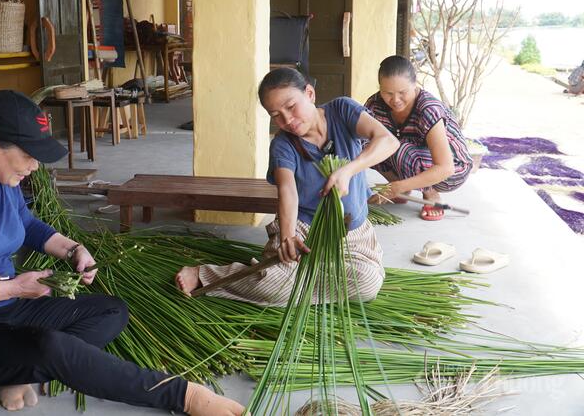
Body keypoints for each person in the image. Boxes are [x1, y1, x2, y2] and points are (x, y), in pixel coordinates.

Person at [0, 90, 243, 415]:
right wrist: (15, 288)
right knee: (51, 347)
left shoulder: (4, 181)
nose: (35, 167)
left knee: (111, 310)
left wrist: (73, 249)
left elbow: (25, 223)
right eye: (28, 155)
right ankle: (182, 395)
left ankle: (18, 369)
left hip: (5, 310)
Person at [176, 68, 399, 306]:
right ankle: (206, 275)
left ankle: (301, 275)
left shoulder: (342, 110)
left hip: (351, 233)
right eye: (276, 115)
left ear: (310, 94)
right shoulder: (283, 145)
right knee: (272, 287)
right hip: (304, 230)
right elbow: (287, 192)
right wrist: (287, 236)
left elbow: (387, 140)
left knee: (367, 285)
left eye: (291, 107)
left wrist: (348, 170)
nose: (288, 121)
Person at [364, 55, 473, 221]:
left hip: (452, 169)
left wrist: (396, 186)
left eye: (402, 92)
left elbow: (446, 168)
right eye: (388, 93)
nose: (395, 100)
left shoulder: (428, 109)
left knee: (400, 148)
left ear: (415, 84)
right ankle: (404, 191)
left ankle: (430, 195)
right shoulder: (375, 104)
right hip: (414, 158)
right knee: (370, 145)